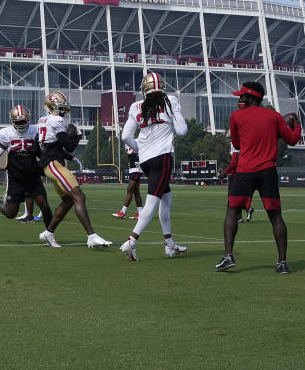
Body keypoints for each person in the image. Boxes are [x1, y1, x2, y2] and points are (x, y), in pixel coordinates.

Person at [214, 81, 301, 274]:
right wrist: (296, 125)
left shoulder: (236, 116)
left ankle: (228, 256)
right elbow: (293, 140)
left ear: (250, 97)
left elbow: (237, 144)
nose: (239, 99)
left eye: (242, 96)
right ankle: (282, 262)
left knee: (232, 210)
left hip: (245, 170)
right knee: (276, 216)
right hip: (268, 170)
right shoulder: (275, 116)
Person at [119, 73, 189, 261]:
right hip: (162, 156)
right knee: (153, 201)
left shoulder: (136, 106)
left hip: (146, 160)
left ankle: (169, 244)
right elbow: (183, 131)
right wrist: (171, 125)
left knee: (166, 198)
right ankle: (132, 241)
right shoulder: (170, 101)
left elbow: (126, 136)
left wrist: (140, 149)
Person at [35, 91, 111, 249]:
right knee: (79, 196)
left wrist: (69, 157)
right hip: (54, 165)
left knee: (69, 200)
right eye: (59, 107)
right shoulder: (56, 120)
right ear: (51, 107)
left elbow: (49, 146)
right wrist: (77, 135)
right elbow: (68, 145)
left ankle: (49, 233)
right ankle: (91, 235)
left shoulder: (43, 120)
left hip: (50, 164)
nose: (62, 111)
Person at [0, 105, 54, 228]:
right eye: (18, 122)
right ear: (12, 121)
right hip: (15, 177)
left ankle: (50, 235)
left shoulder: (35, 130)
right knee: (11, 213)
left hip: (33, 175)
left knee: (44, 205)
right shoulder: (6, 133)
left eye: (23, 121)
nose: (20, 124)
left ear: (28, 119)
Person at [221, 146, 254, 223]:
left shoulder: (235, 145)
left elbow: (234, 163)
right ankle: (243, 213)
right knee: (239, 196)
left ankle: (237, 216)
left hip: (236, 174)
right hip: (243, 173)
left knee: (232, 197)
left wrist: (225, 173)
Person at [111, 146, 143, 220]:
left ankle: (123, 212)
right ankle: (140, 213)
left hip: (136, 168)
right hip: (132, 169)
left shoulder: (137, 139)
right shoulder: (126, 142)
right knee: (136, 192)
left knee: (130, 189)